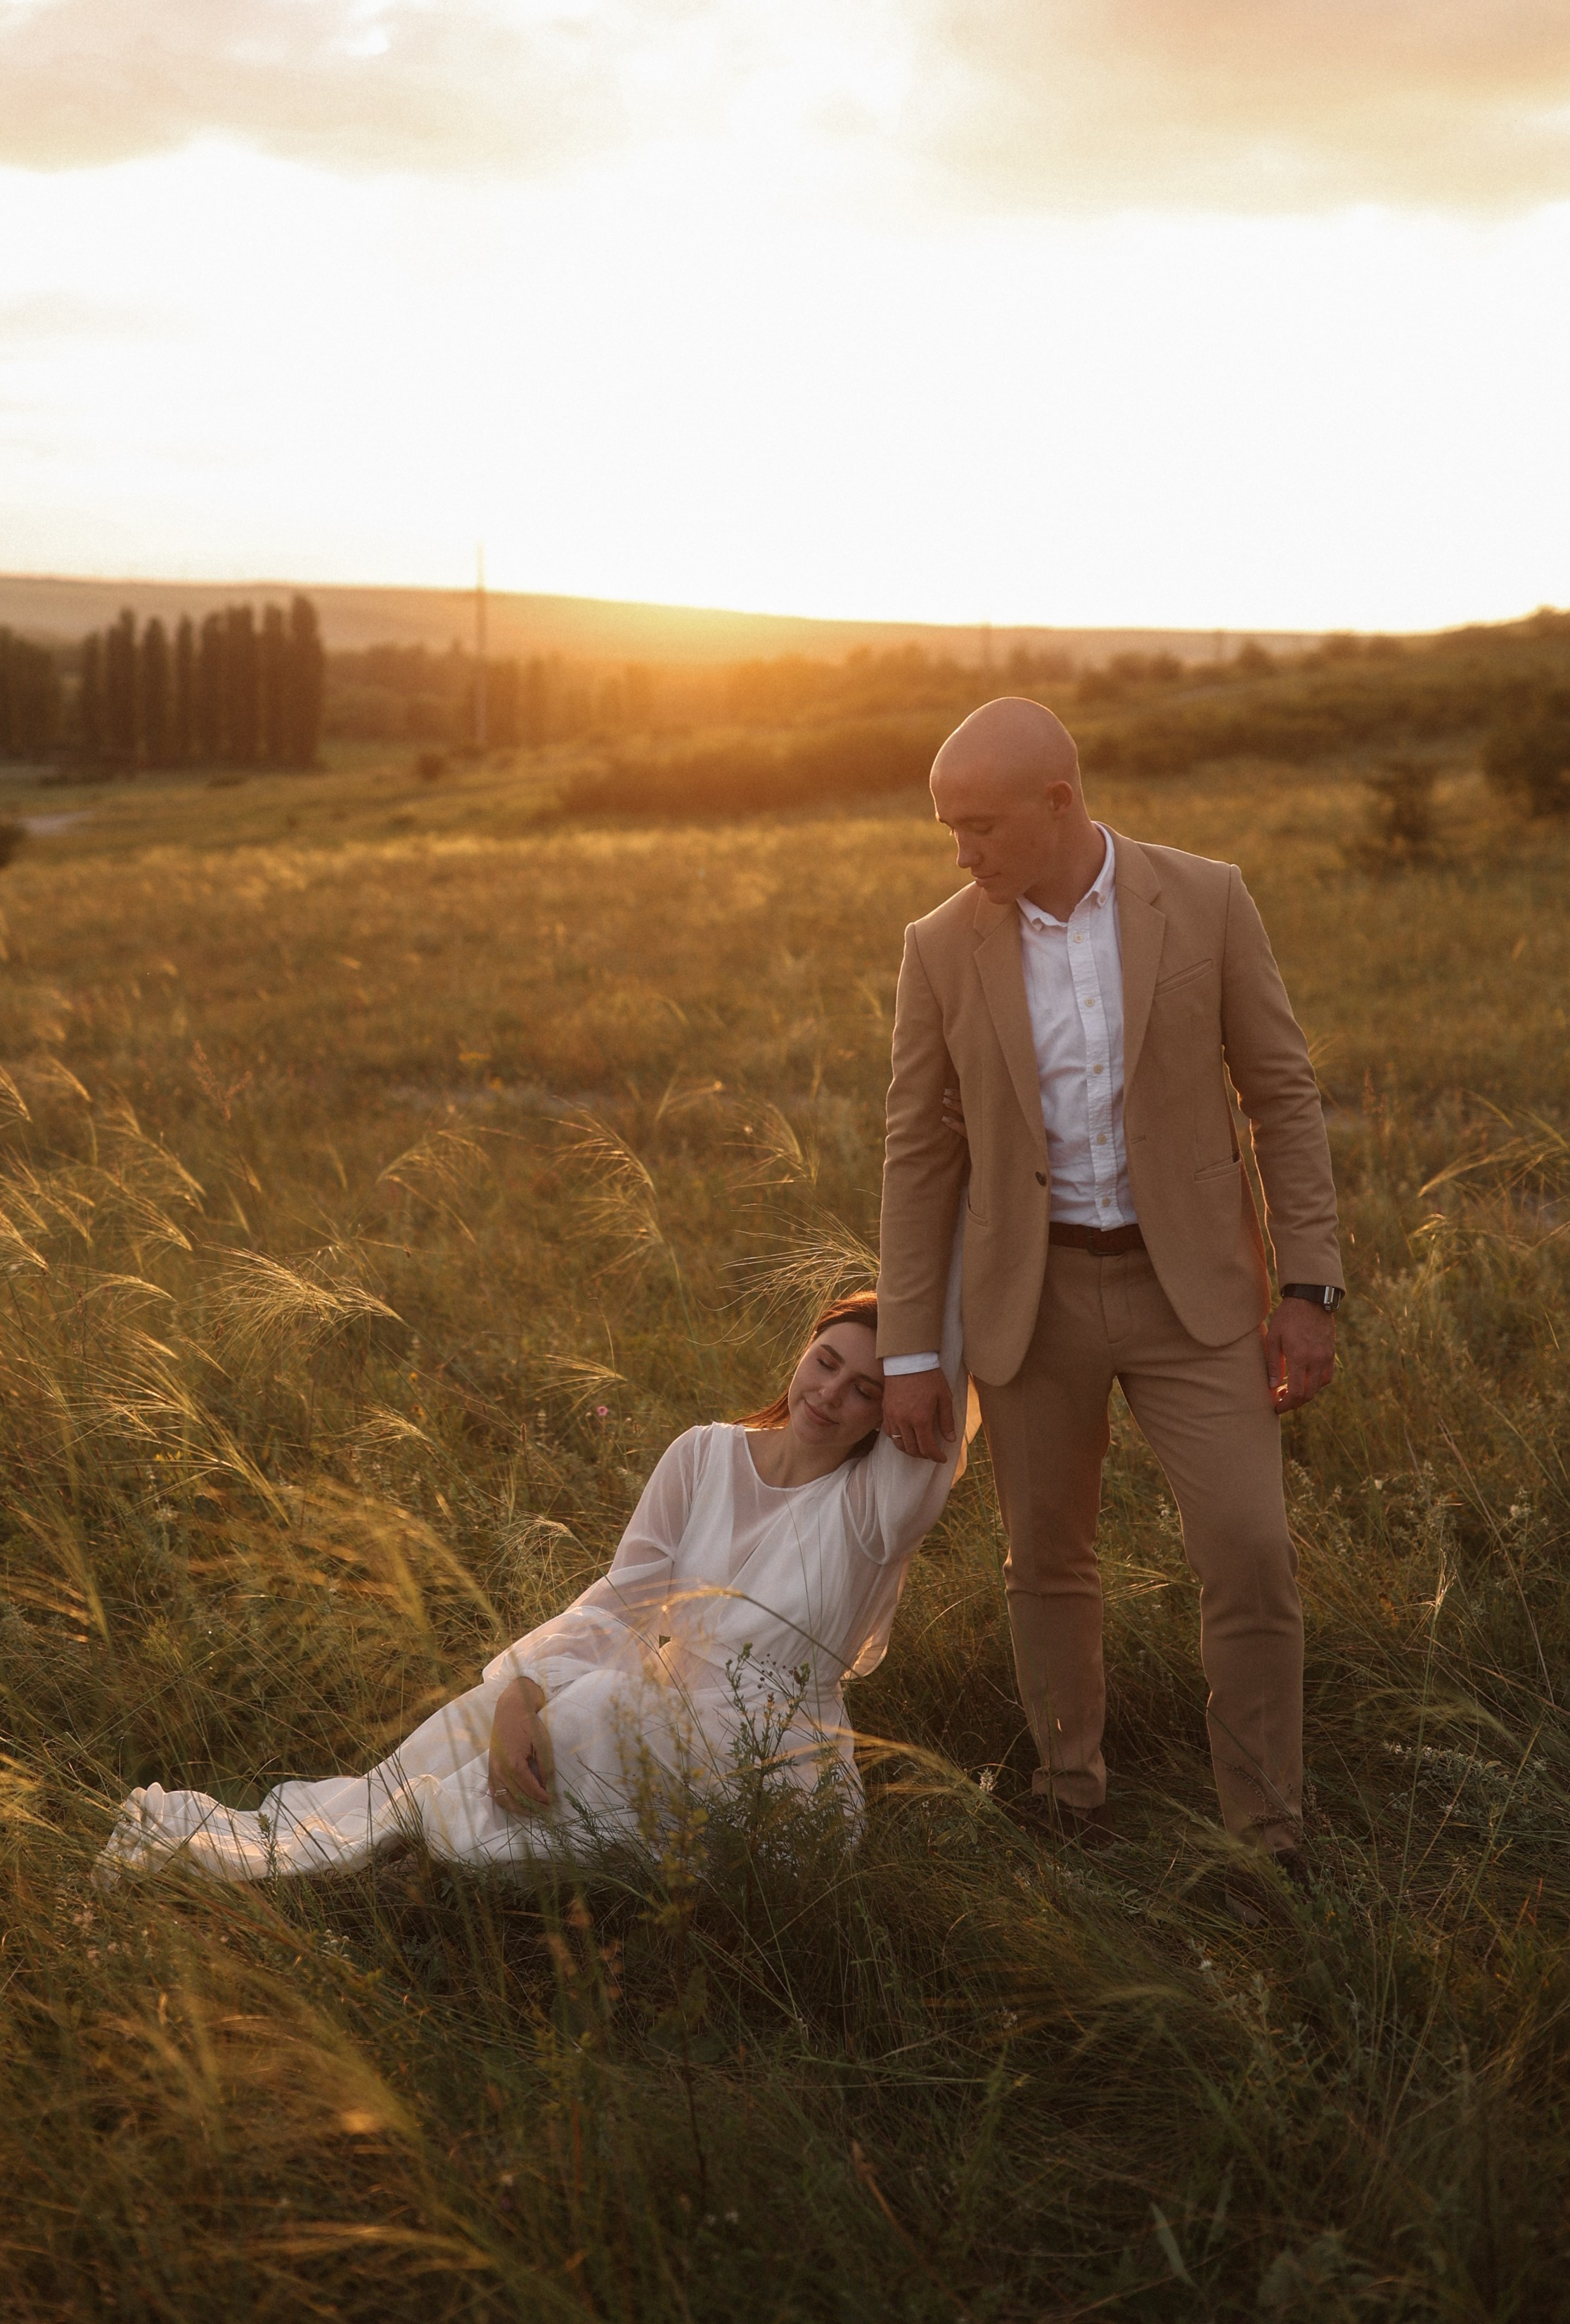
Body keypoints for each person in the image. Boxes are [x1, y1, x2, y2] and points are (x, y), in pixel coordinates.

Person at [876, 698, 1341, 1879]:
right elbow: (919, 1153)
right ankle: (1068, 1802)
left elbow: (1282, 1097)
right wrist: (909, 1352)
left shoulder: (1208, 899)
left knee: (1251, 1553)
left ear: (1059, 802)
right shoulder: (939, 945)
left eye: (980, 826)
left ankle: (1267, 1838)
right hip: (1029, 1304)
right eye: (948, 828)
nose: (961, 854)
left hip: (1198, 1298)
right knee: (1046, 1564)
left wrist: (1309, 1289)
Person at [98, 1270, 973, 1885]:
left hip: (770, 1769)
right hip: (662, 1711)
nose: (831, 1394)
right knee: (499, 1712)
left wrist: (967, 1148)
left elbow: (956, 1348)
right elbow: (621, 1602)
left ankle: (425, 1852)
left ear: (892, 1412)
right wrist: (522, 1689)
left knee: (591, 1719)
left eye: (867, 1390)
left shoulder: (876, 1511)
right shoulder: (704, 1455)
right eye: (828, 1362)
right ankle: (379, 1848)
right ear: (805, 1349)